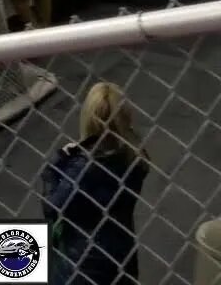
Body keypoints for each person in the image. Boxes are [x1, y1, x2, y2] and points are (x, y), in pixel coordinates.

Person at [41, 82, 148, 285]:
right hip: (122, 252)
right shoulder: (135, 156)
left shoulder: (82, 168)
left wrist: (57, 163)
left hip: (81, 264)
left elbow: (51, 207)